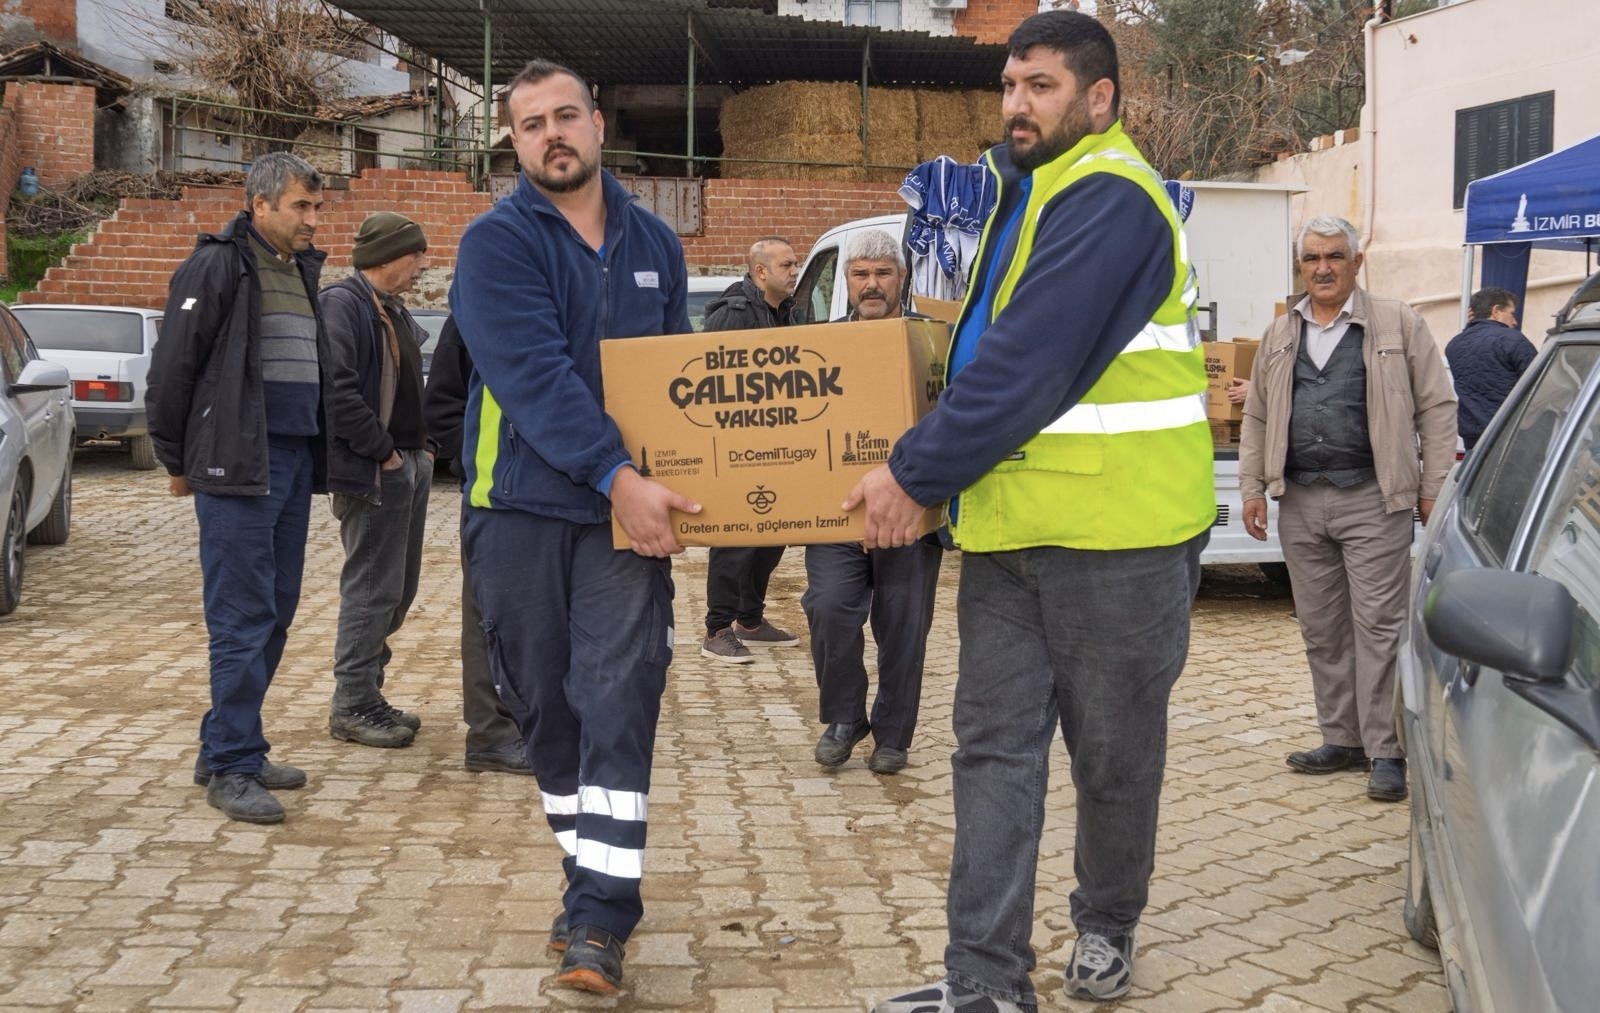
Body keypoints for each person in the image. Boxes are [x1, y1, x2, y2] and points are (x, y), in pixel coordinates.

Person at [848, 12, 1216, 1009]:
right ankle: (983, 982)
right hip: (1010, 535)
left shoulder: (1112, 197)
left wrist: (911, 473)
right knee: (992, 756)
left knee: (1113, 754)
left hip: (1121, 538)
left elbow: (1029, 363)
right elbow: (977, 354)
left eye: (1040, 86)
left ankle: (1106, 921)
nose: (1016, 103)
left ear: (1098, 99)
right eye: (1010, 85)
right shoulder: (1033, 191)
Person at [448, 58, 697, 996]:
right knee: (547, 711)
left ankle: (600, 917)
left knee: (620, 697)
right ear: (513, 143)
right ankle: (583, 875)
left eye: (565, 116)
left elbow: (674, 382)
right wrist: (615, 472)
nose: (550, 134)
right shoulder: (496, 244)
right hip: (516, 510)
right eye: (528, 124)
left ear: (599, 124)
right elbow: (532, 376)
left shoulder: (656, 244)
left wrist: (671, 481)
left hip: (620, 523)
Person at [1238, 215, 1456, 804]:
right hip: (1301, 501)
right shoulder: (1280, 334)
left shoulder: (1396, 322)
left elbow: (1437, 407)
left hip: (1373, 499)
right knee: (1322, 629)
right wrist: (1253, 488)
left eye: (1335, 256)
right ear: (1300, 267)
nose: (1324, 268)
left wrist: (1432, 484)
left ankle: (1387, 751)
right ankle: (1342, 738)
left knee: (1380, 628)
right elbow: (1257, 415)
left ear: (1357, 263)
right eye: (1312, 259)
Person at [147, 152, 336, 825]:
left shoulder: (299, 268)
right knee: (241, 615)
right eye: (300, 208)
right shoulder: (219, 265)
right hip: (235, 466)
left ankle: (231, 744)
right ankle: (231, 766)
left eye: (318, 208)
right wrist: (176, 458)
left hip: (286, 462)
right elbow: (172, 369)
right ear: (259, 205)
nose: (312, 219)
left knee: (276, 608)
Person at [806, 229, 943, 777]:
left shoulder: (927, 342)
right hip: (837, 513)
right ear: (846, 281)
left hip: (910, 516)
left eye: (882, 274)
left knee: (902, 627)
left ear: (901, 280)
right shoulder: (820, 346)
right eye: (860, 274)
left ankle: (893, 734)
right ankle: (844, 717)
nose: (871, 284)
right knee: (829, 607)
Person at [320, 212, 433, 749]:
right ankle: (353, 704)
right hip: (376, 469)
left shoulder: (389, 307)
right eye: (415, 255)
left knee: (397, 589)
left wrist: (418, 451)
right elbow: (337, 390)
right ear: (388, 257)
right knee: (371, 587)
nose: (422, 266)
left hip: (407, 463)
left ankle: (370, 693)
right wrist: (383, 452)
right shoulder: (344, 305)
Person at [421, 316, 532, 775]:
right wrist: (477, 464)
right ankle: (490, 734)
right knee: (488, 617)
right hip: (493, 497)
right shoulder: (477, 308)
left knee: (537, 619)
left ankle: (532, 725)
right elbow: (442, 405)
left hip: (554, 495)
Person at [699, 237, 804, 663]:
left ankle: (750, 620)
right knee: (735, 539)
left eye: (796, 264)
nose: (795, 271)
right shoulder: (735, 314)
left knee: (773, 534)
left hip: (776, 445)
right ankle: (717, 629)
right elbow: (718, 383)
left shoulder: (784, 312)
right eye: (787, 265)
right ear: (761, 272)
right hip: (738, 448)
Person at [1445, 286, 1536, 450]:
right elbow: (1539, 383)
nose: (1514, 322)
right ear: (1496, 311)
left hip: (1473, 436)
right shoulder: (1512, 339)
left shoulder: (1454, 345)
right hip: (1510, 432)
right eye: (1511, 313)